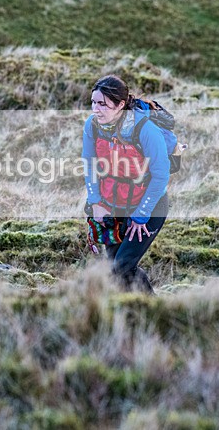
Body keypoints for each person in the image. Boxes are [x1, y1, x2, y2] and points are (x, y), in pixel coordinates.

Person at [82, 75, 171, 294]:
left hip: (150, 208)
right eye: (93, 102)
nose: (96, 109)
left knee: (119, 268)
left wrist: (141, 215)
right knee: (120, 272)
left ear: (121, 105)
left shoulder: (146, 130)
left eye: (103, 104)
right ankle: (145, 313)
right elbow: (89, 165)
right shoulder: (92, 126)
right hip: (112, 205)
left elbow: (160, 176)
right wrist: (95, 202)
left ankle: (152, 314)